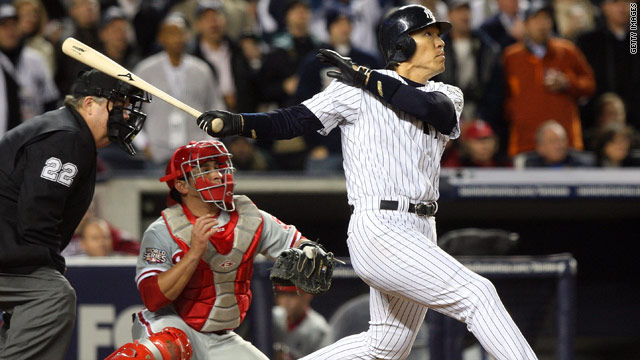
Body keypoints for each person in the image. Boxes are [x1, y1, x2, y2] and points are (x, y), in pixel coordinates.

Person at [196, 5, 537, 359]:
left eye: (440, 35)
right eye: (429, 35)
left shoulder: (447, 94)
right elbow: (291, 121)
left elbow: (428, 109)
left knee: (385, 347)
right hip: (381, 227)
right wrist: (238, 122)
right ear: (402, 46)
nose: (441, 43)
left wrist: (365, 76)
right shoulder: (353, 90)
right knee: (477, 295)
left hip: (421, 228)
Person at [106, 139, 330, 360]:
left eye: (218, 167)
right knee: (155, 350)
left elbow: (302, 245)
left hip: (220, 338)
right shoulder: (162, 230)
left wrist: (310, 253)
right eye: (204, 170)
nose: (217, 175)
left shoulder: (250, 218)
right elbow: (152, 298)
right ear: (182, 186)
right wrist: (194, 254)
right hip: (170, 325)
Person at [0, 69, 150, 360]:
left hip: (7, 251)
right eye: (117, 106)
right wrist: (49, 263)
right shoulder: (67, 136)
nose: (127, 116)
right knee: (53, 295)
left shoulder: (66, 130)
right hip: (8, 253)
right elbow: (37, 211)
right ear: (89, 104)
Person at [502, 1, 595, 157]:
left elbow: (589, 85)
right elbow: (501, 96)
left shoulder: (567, 51)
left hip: (566, 142)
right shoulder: (511, 56)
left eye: (546, 19)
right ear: (525, 24)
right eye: (536, 19)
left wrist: (567, 82)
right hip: (525, 142)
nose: (542, 24)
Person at [133, 12, 225, 166]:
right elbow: (129, 112)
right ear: (160, 37)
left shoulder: (202, 70)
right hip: (157, 154)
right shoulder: (144, 71)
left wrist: (209, 144)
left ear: (188, 36)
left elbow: (218, 110)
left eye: (181, 33)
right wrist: (143, 144)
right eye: (171, 33)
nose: (177, 38)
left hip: (195, 155)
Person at [272, 285, 331, 359]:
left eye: (292, 294)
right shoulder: (273, 317)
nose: (286, 300)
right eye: (282, 294)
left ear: (307, 295)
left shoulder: (319, 329)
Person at [514, 120, 595, 168]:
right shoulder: (528, 166)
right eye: (552, 141)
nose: (559, 145)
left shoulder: (584, 163)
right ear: (540, 147)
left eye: (562, 140)